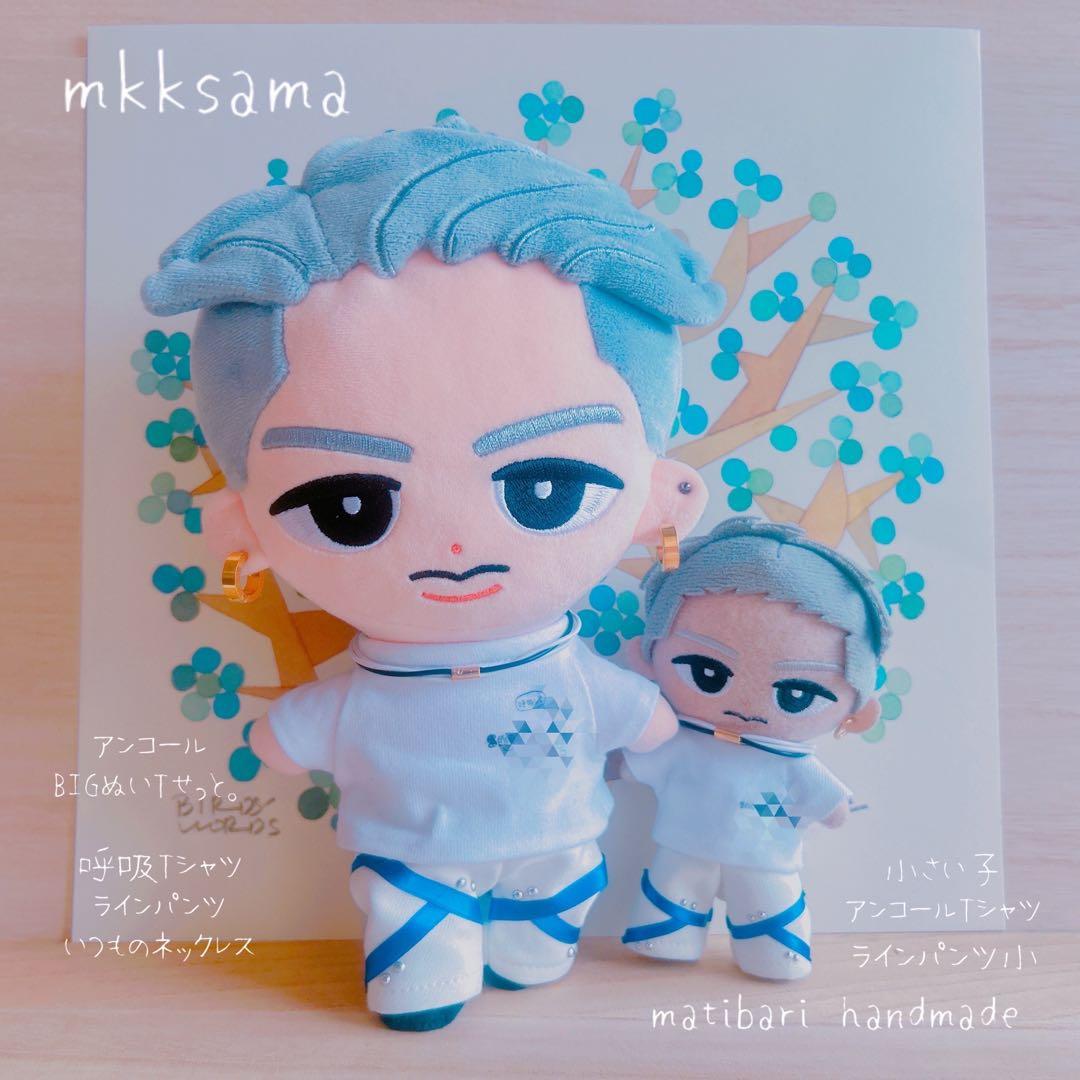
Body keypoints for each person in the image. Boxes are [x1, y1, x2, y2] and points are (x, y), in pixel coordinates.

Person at [142, 115, 722, 1030]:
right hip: (410, 858)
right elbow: (642, 725)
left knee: (544, 927)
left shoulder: (566, 670)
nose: (455, 550)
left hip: (558, 846)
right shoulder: (376, 688)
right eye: (350, 506)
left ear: (660, 498)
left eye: (545, 488)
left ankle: (529, 949)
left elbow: (638, 719)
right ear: (243, 528)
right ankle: (431, 969)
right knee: (417, 942)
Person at [621, 517, 889, 979]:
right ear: (647, 658)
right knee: (677, 887)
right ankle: (669, 939)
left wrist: (835, 807)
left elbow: (828, 801)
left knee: (767, 902)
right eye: (707, 672)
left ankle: (773, 953)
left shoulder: (791, 761)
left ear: (857, 709)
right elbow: (634, 764)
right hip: (686, 845)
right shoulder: (685, 741)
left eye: (797, 694)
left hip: (765, 856)